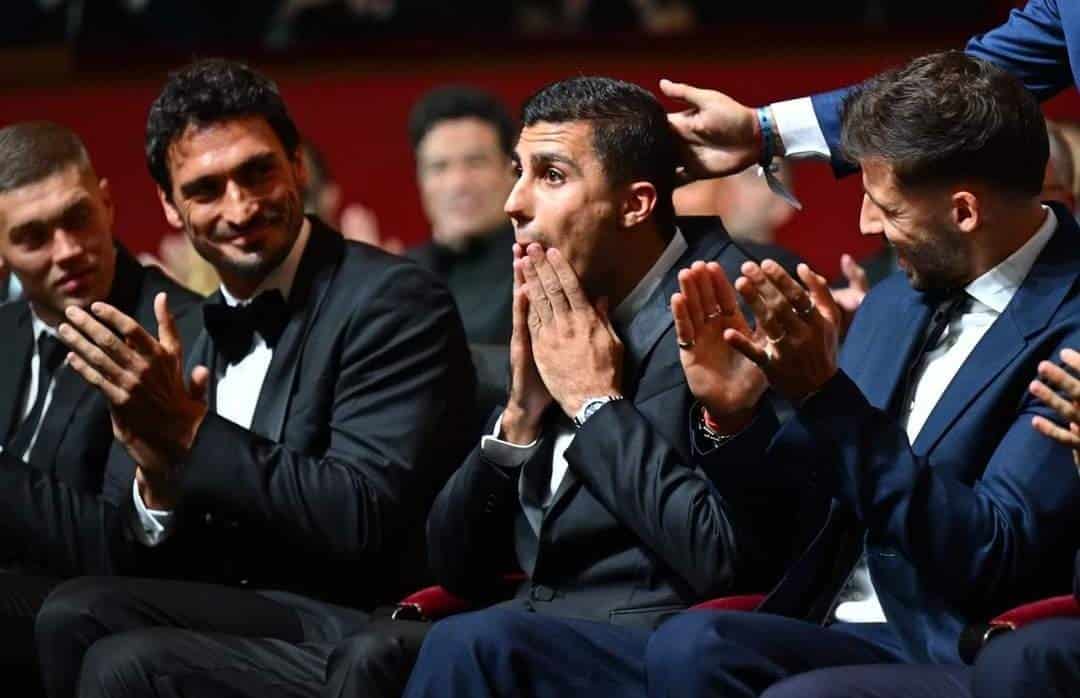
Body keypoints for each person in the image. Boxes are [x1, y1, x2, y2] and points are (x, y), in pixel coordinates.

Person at [639, 51, 1080, 698]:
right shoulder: (896, 296)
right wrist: (734, 417)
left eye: (887, 207)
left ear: (963, 211)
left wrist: (825, 395)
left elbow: (993, 550)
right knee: (692, 646)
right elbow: (806, 510)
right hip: (833, 620)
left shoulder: (1072, 320)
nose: (866, 224)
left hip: (962, 643)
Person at [33, 58, 476, 698]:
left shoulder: (392, 299)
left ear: (297, 164)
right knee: (68, 611)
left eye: (258, 171)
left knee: (125, 661)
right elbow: (129, 540)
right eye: (206, 189)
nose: (240, 207)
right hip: (241, 600)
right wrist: (156, 481)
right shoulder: (180, 326)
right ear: (169, 203)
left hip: (355, 616)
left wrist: (188, 432)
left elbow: (359, 518)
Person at [397, 75, 811, 698]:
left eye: (551, 175)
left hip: (660, 646)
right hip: (526, 625)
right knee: (372, 651)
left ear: (636, 203)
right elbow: (454, 565)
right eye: (519, 171)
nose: (514, 202)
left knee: (469, 645)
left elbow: (725, 561)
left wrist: (595, 405)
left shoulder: (732, 304)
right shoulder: (549, 305)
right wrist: (518, 417)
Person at [0, 121, 203, 696]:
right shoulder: (6, 331)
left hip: (94, 604)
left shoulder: (174, 334)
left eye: (78, 218)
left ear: (108, 204)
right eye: (34, 237)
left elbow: (116, 546)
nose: (67, 251)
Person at [405, 86, 518, 347]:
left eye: (475, 162)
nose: (458, 183)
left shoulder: (544, 270)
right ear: (421, 180)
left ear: (512, 171)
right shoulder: (400, 275)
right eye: (439, 167)